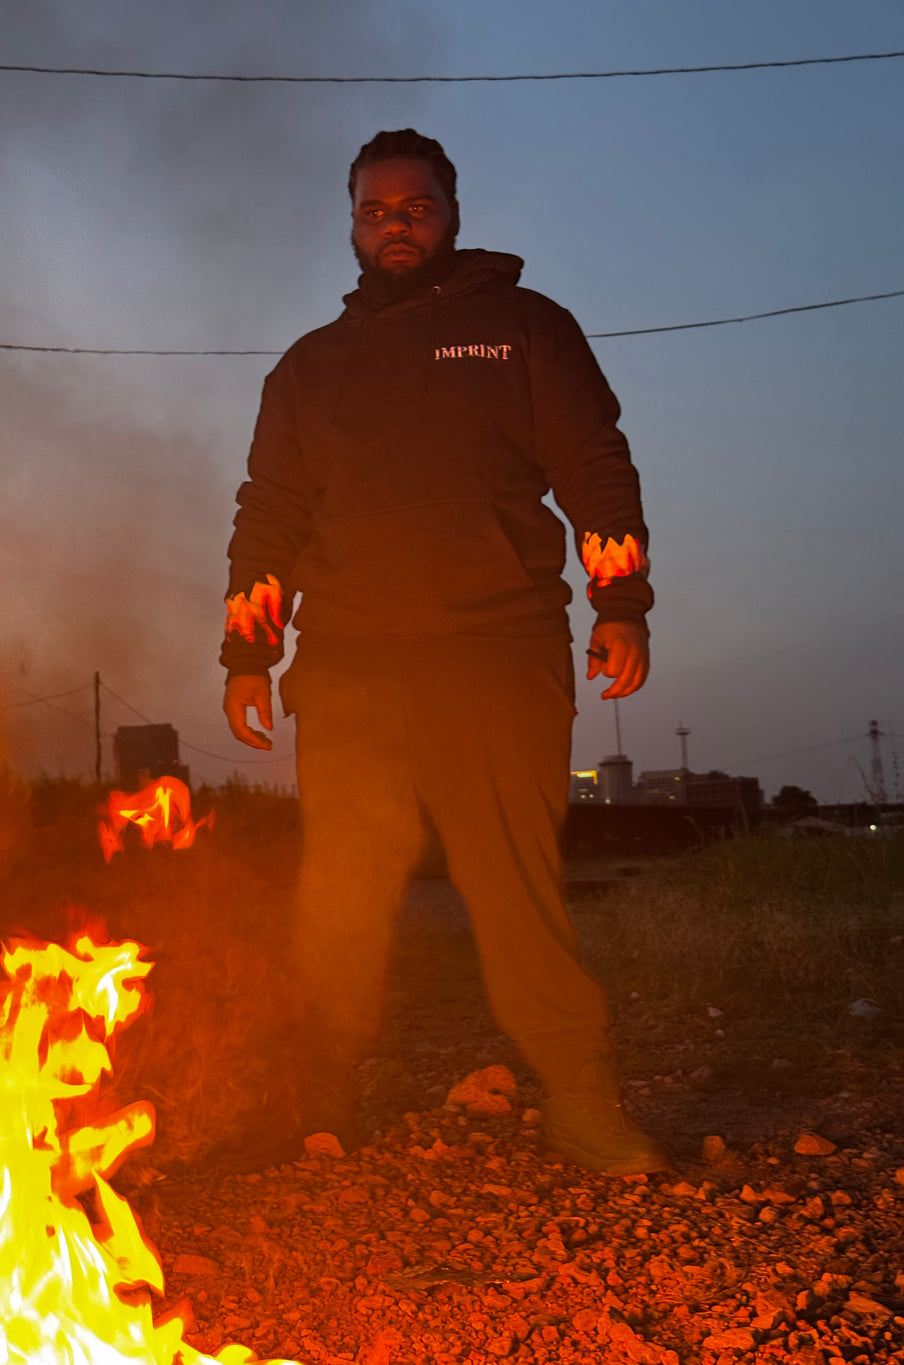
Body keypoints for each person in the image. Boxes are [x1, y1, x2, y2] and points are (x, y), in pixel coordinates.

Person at [220, 129, 668, 1176]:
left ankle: (582, 1101)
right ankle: (317, 1100)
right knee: (341, 890)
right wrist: (248, 655)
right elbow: (269, 516)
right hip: (348, 664)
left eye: (415, 205)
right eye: (374, 210)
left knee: (515, 887)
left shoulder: (523, 329)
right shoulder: (310, 367)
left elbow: (594, 468)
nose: (396, 223)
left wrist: (622, 600)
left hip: (496, 651)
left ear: (451, 212)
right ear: (352, 224)